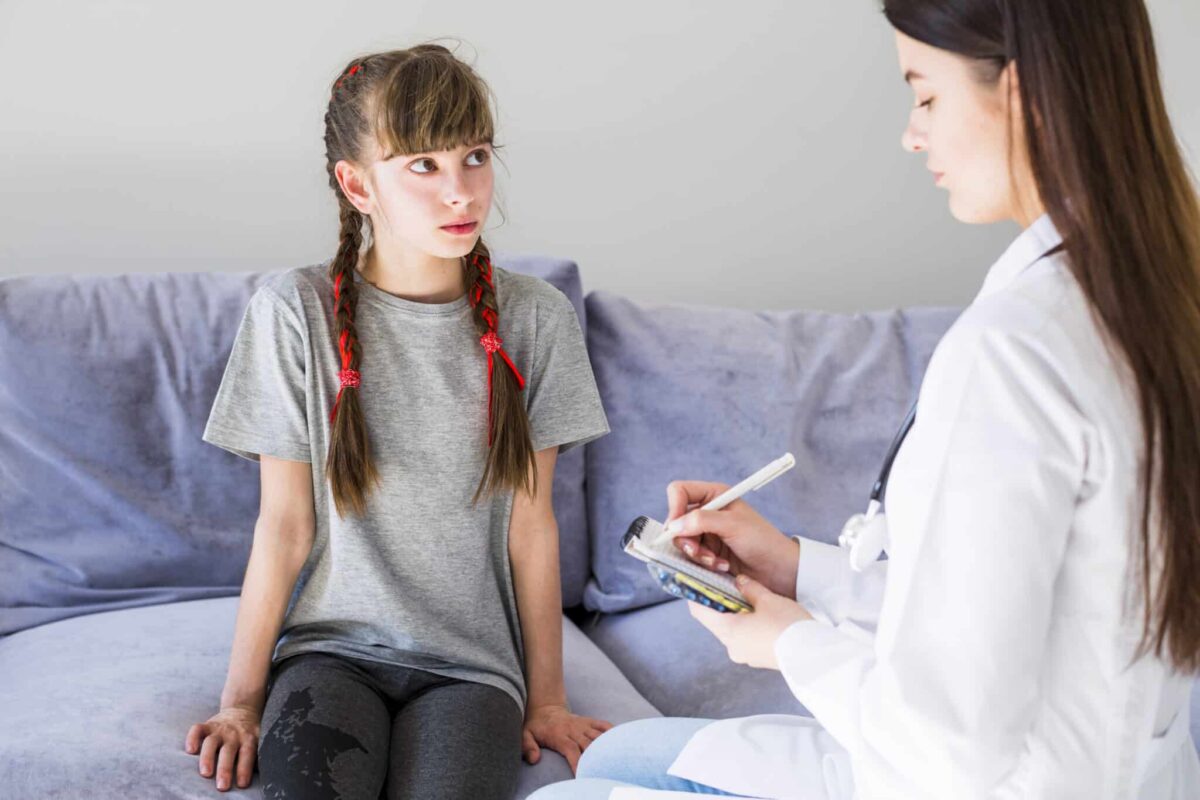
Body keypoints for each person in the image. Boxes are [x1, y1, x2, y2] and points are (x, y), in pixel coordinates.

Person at [532, 1, 1200, 797]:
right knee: (612, 759)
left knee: (576, 791)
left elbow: (951, 747)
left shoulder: (1013, 352)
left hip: (966, 780)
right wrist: (795, 568)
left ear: (1019, 92)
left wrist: (788, 644)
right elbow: (1003, 614)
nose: (913, 135)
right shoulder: (1154, 305)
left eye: (925, 95)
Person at [183, 44, 612, 799]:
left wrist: (547, 701)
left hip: (471, 671)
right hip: (328, 655)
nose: (461, 192)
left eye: (474, 156)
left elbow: (532, 524)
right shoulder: (294, 314)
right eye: (423, 165)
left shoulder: (536, 320)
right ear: (358, 184)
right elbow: (284, 527)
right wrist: (240, 703)